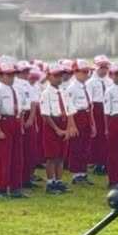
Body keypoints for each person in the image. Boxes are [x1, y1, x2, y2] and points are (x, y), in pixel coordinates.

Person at [0, 61, 27, 199]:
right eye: (8, 75)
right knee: (4, 157)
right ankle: (1, 188)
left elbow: (22, 109)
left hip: (16, 121)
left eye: (13, 74)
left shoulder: (17, 89)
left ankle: (15, 187)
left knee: (17, 156)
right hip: (5, 121)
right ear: (0, 76)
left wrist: (21, 125)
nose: (11, 77)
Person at [40, 63, 76, 194]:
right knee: (51, 156)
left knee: (61, 156)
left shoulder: (64, 92)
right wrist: (56, 129)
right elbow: (45, 114)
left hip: (63, 123)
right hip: (52, 125)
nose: (58, 78)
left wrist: (69, 127)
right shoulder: (46, 93)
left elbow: (70, 110)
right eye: (55, 76)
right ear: (48, 77)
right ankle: (50, 183)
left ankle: (59, 181)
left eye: (60, 75)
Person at [65, 60, 96, 184]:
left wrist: (93, 124)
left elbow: (90, 106)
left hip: (86, 115)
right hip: (77, 116)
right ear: (75, 72)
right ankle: (76, 174)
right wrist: (72, 125)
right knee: (76, 146)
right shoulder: (71, 88)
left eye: (87, 71)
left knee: (85, 145)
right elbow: (69, 108)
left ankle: (83, 173)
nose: (86, 74)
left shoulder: (86, 86)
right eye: (83, 71)